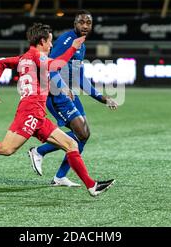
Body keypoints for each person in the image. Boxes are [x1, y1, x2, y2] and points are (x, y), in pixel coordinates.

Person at [0, 22, 115, 197]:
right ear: (41, 42)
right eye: (50, 42)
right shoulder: (38, 57)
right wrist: (73, 48)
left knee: (71, 144)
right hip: (30, 111)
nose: (52, 45)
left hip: (38, 114)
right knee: (6, 149)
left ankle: (92, 186)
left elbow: (1, 63)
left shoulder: (24, 58)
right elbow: (57, 65)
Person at [28, 10, 118, 187]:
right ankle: (39, 151)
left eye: (88, 23)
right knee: (81, 133)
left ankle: (60, 177)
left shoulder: (80, 45)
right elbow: (49, 67)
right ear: (74, 24)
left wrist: (102, 98)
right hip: (56, 93)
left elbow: (79, 77)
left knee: (84, 135)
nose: (85, 26)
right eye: (81, 22)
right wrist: (61, 87)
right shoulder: (67, 40)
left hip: (69, 93)